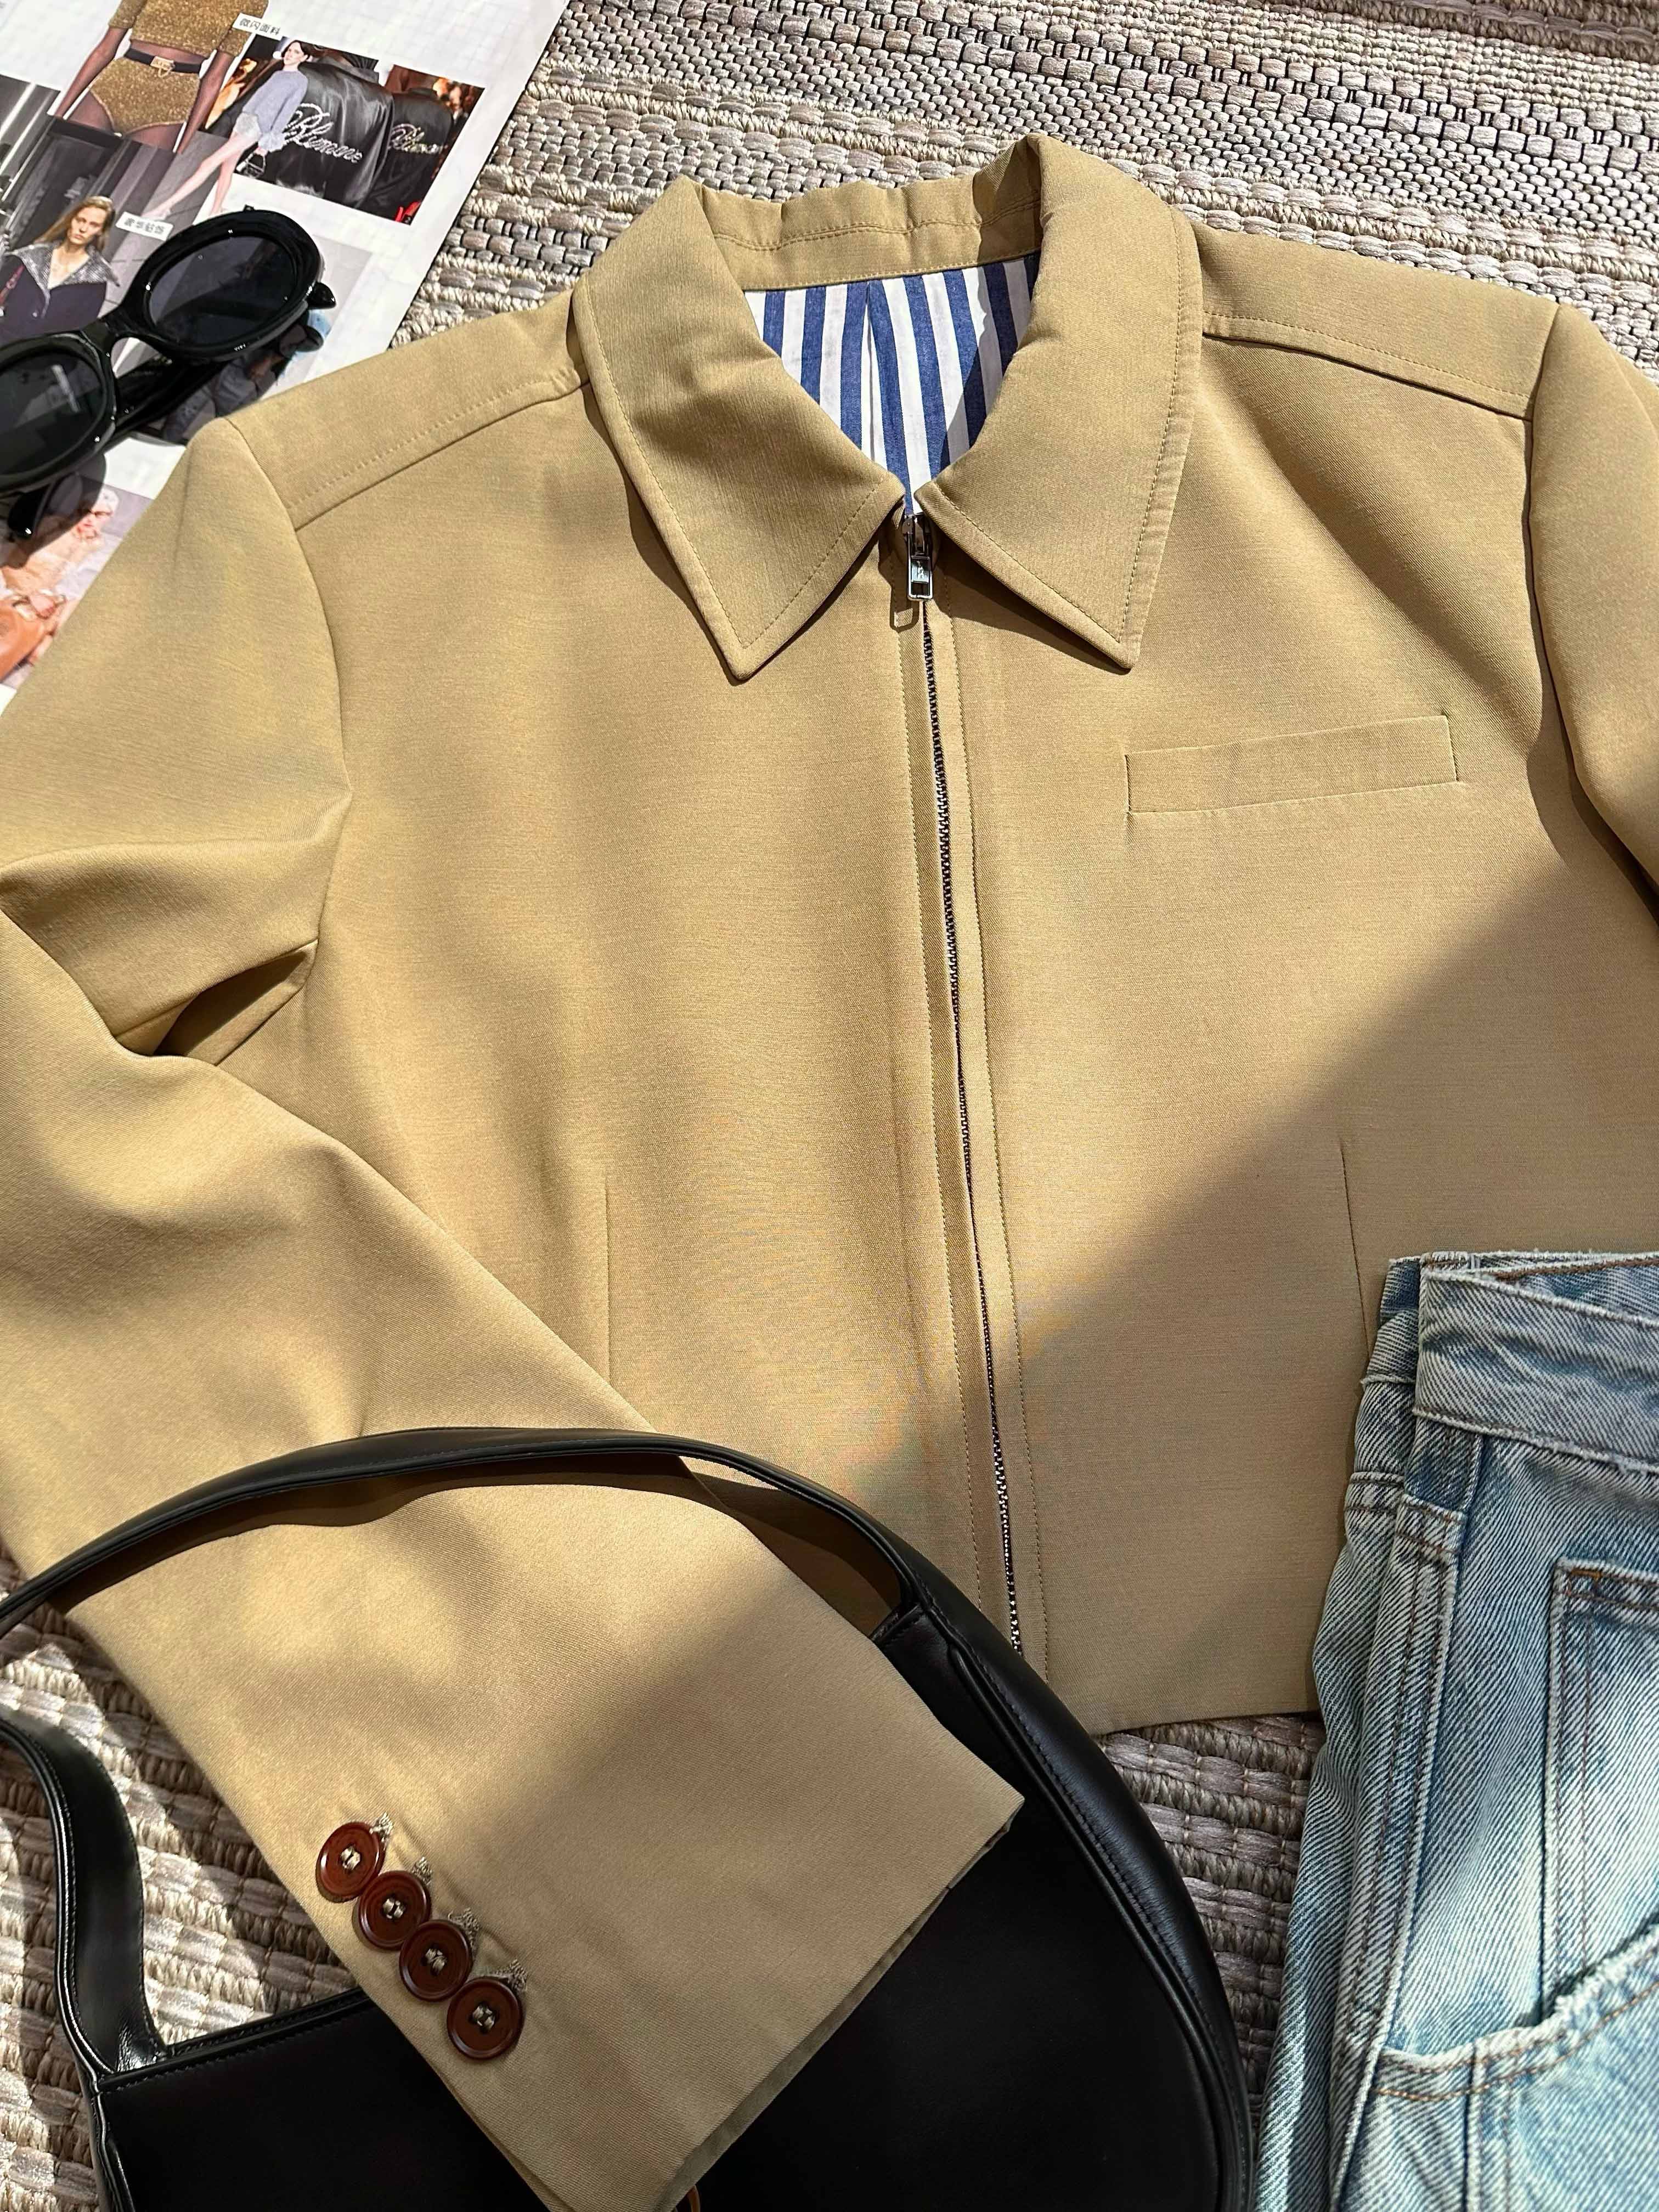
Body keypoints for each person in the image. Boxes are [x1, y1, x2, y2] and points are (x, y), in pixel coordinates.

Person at [149, 38, 308, 222]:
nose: (290, 54)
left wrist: (267, 142)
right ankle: (215, 211)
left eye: (296, 52)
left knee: (208, 163)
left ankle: (164, 207)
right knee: (227, 168)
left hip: (257, 127)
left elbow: (287, 111)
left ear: (304, 57)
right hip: (244, 120)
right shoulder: (278, 74)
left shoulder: (300, 81)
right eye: (289, 50)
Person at [0, 198, 120, 341]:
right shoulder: (31, 256)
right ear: (71, 220)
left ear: (101, 231)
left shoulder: (96, 280)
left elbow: (80, 332)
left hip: (41, 352)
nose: (83, 229)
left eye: (94, 225)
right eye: (80, 220)